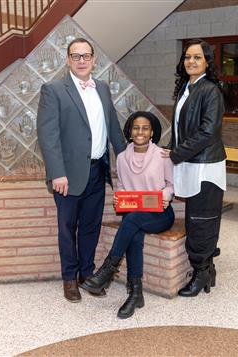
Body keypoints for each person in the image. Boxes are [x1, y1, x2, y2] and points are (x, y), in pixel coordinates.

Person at [37, 38, 126, 303]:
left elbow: (113, 127)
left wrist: (127, 159)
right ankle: (69, 278)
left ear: (94, 59)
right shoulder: (53, 90)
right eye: (76, 56)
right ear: (67, 60)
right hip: (68, 176)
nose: (81, 60)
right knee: (67, 228)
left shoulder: (103, 88)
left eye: (86, 56)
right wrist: (57, 173)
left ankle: (86, 273)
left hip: (98, 170)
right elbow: (47, 135)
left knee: (90, 226)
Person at [81, 111, 174, 318]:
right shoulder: (122, 158)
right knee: (133, 231)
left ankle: (108, 270)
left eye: (145, 128)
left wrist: (165, 195)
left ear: (152, 133)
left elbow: (171, 185)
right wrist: (119, 196)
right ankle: (135, 293)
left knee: (131, 221)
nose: (140, 131)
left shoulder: (162, 155)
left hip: (160, 214)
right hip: (133, 212)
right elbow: (122, 186)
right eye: (136, 127)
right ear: (130, 132)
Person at [162, 39, 226, 297]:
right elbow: (181, 127)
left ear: (207, 62)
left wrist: (177, 153)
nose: (191, 61)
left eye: (197, 57)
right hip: (191, 162)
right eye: (188, 57)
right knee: (195, 217)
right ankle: (206, 269)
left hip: (206, 166)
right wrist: (170, 148)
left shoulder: (210, 90)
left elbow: (208, 132)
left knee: (202, 220)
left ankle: (202, 272)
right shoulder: (186, 88)